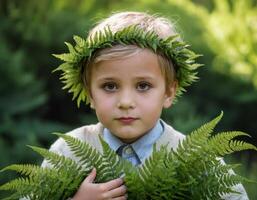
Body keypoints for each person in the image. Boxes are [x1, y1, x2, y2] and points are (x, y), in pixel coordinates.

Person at [45, 11, 249, 200]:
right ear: (90, 93)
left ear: (169, 92)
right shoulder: (67, 151)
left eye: (143, 86)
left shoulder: (196, 161)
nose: (125, 102)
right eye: (110, 86)